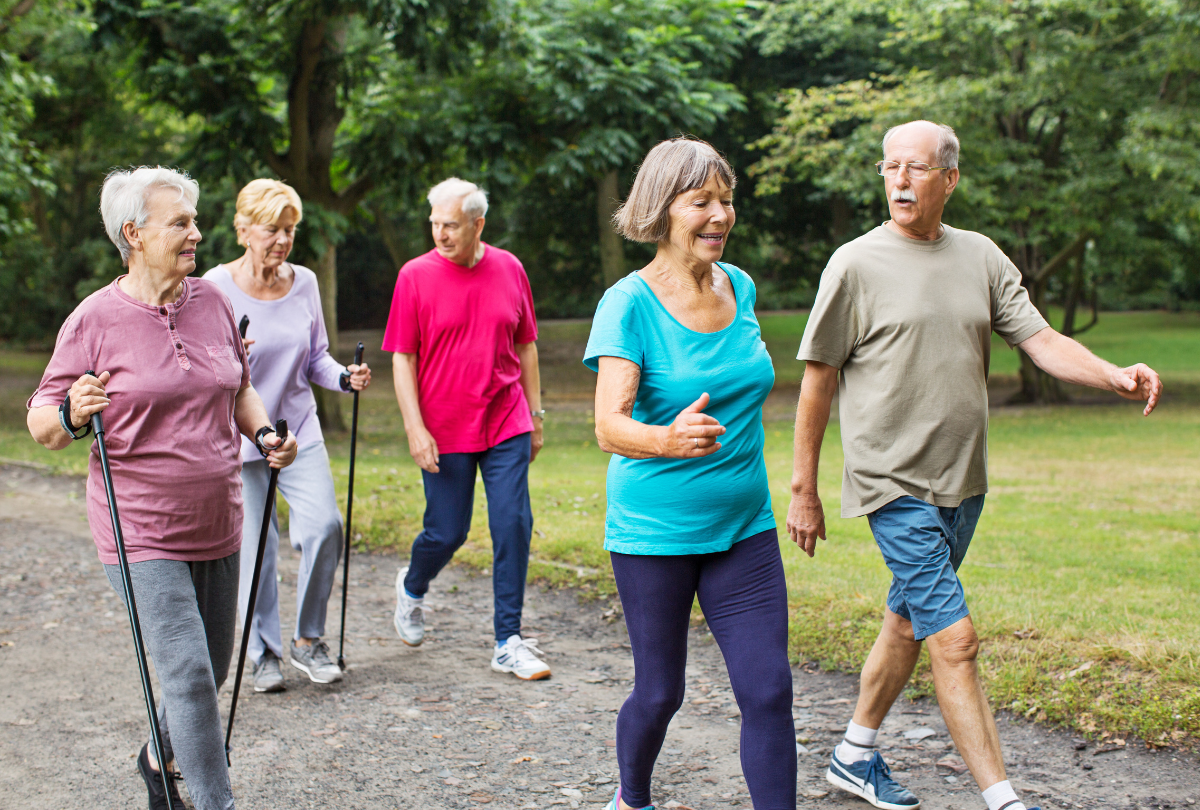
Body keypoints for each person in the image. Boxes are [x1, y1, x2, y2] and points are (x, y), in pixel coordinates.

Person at [789, 120, 1162, 810]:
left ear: (949, 180)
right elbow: (817, 380)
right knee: (954, 640)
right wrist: (804, 488)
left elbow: (1039, 337)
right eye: (890, 167)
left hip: (963, 483)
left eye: (917, 168)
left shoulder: (981, 257)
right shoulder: (855, 264)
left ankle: (852, 755)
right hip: (891, 483)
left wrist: (1113, 374)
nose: (900, 179)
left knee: (908, 621)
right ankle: (1004, 800)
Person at [26, 167, 298, 810]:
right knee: (189, 672)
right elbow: (42, 419)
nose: (196, 234)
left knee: (214, 667)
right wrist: (73, 412)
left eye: (194, 222)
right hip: (141, 526)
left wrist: (264, 438)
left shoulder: (212, 302)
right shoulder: (94, 319)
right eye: (180, 223)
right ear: (133, 234)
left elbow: (239, 389)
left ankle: (157, 754)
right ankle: (214, 802)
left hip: (218, 515)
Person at [585, 138, 796, 810]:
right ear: (662, 207)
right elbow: (608, 426)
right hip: (656, 533)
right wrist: (668, 438)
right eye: (700, 200)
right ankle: (632, 798)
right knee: (659, 692)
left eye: (726, 200)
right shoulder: (629, 303)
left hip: (745, 527)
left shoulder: (741, 286)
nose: (720, 215)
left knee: (768, 689)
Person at [205, 179, 371, 692]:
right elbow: (200, 364)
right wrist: (229, 355)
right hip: (241, 437)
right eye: (273, 229)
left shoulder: (305, 283)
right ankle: (264, 653)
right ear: (243, 229)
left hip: (298, 429)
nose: (283, 239)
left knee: (325, 527)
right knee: (256, 551)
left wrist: (344, 376)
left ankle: (307, 639)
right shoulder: (214, 286)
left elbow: (316, 355)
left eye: (290, 230)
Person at [383, 177, 548, 680]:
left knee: (512, 524)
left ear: (478, 224)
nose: (439, 233)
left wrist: (536, 417)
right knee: (447, 531)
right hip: (444, 427)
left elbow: (527, 347)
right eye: (434, 223)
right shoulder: (414, 276)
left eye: (450, 225)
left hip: (505, 419)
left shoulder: (510, 268)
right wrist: (415, 428)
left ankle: (508, 639)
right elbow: (402, 358)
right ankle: (412, 587)